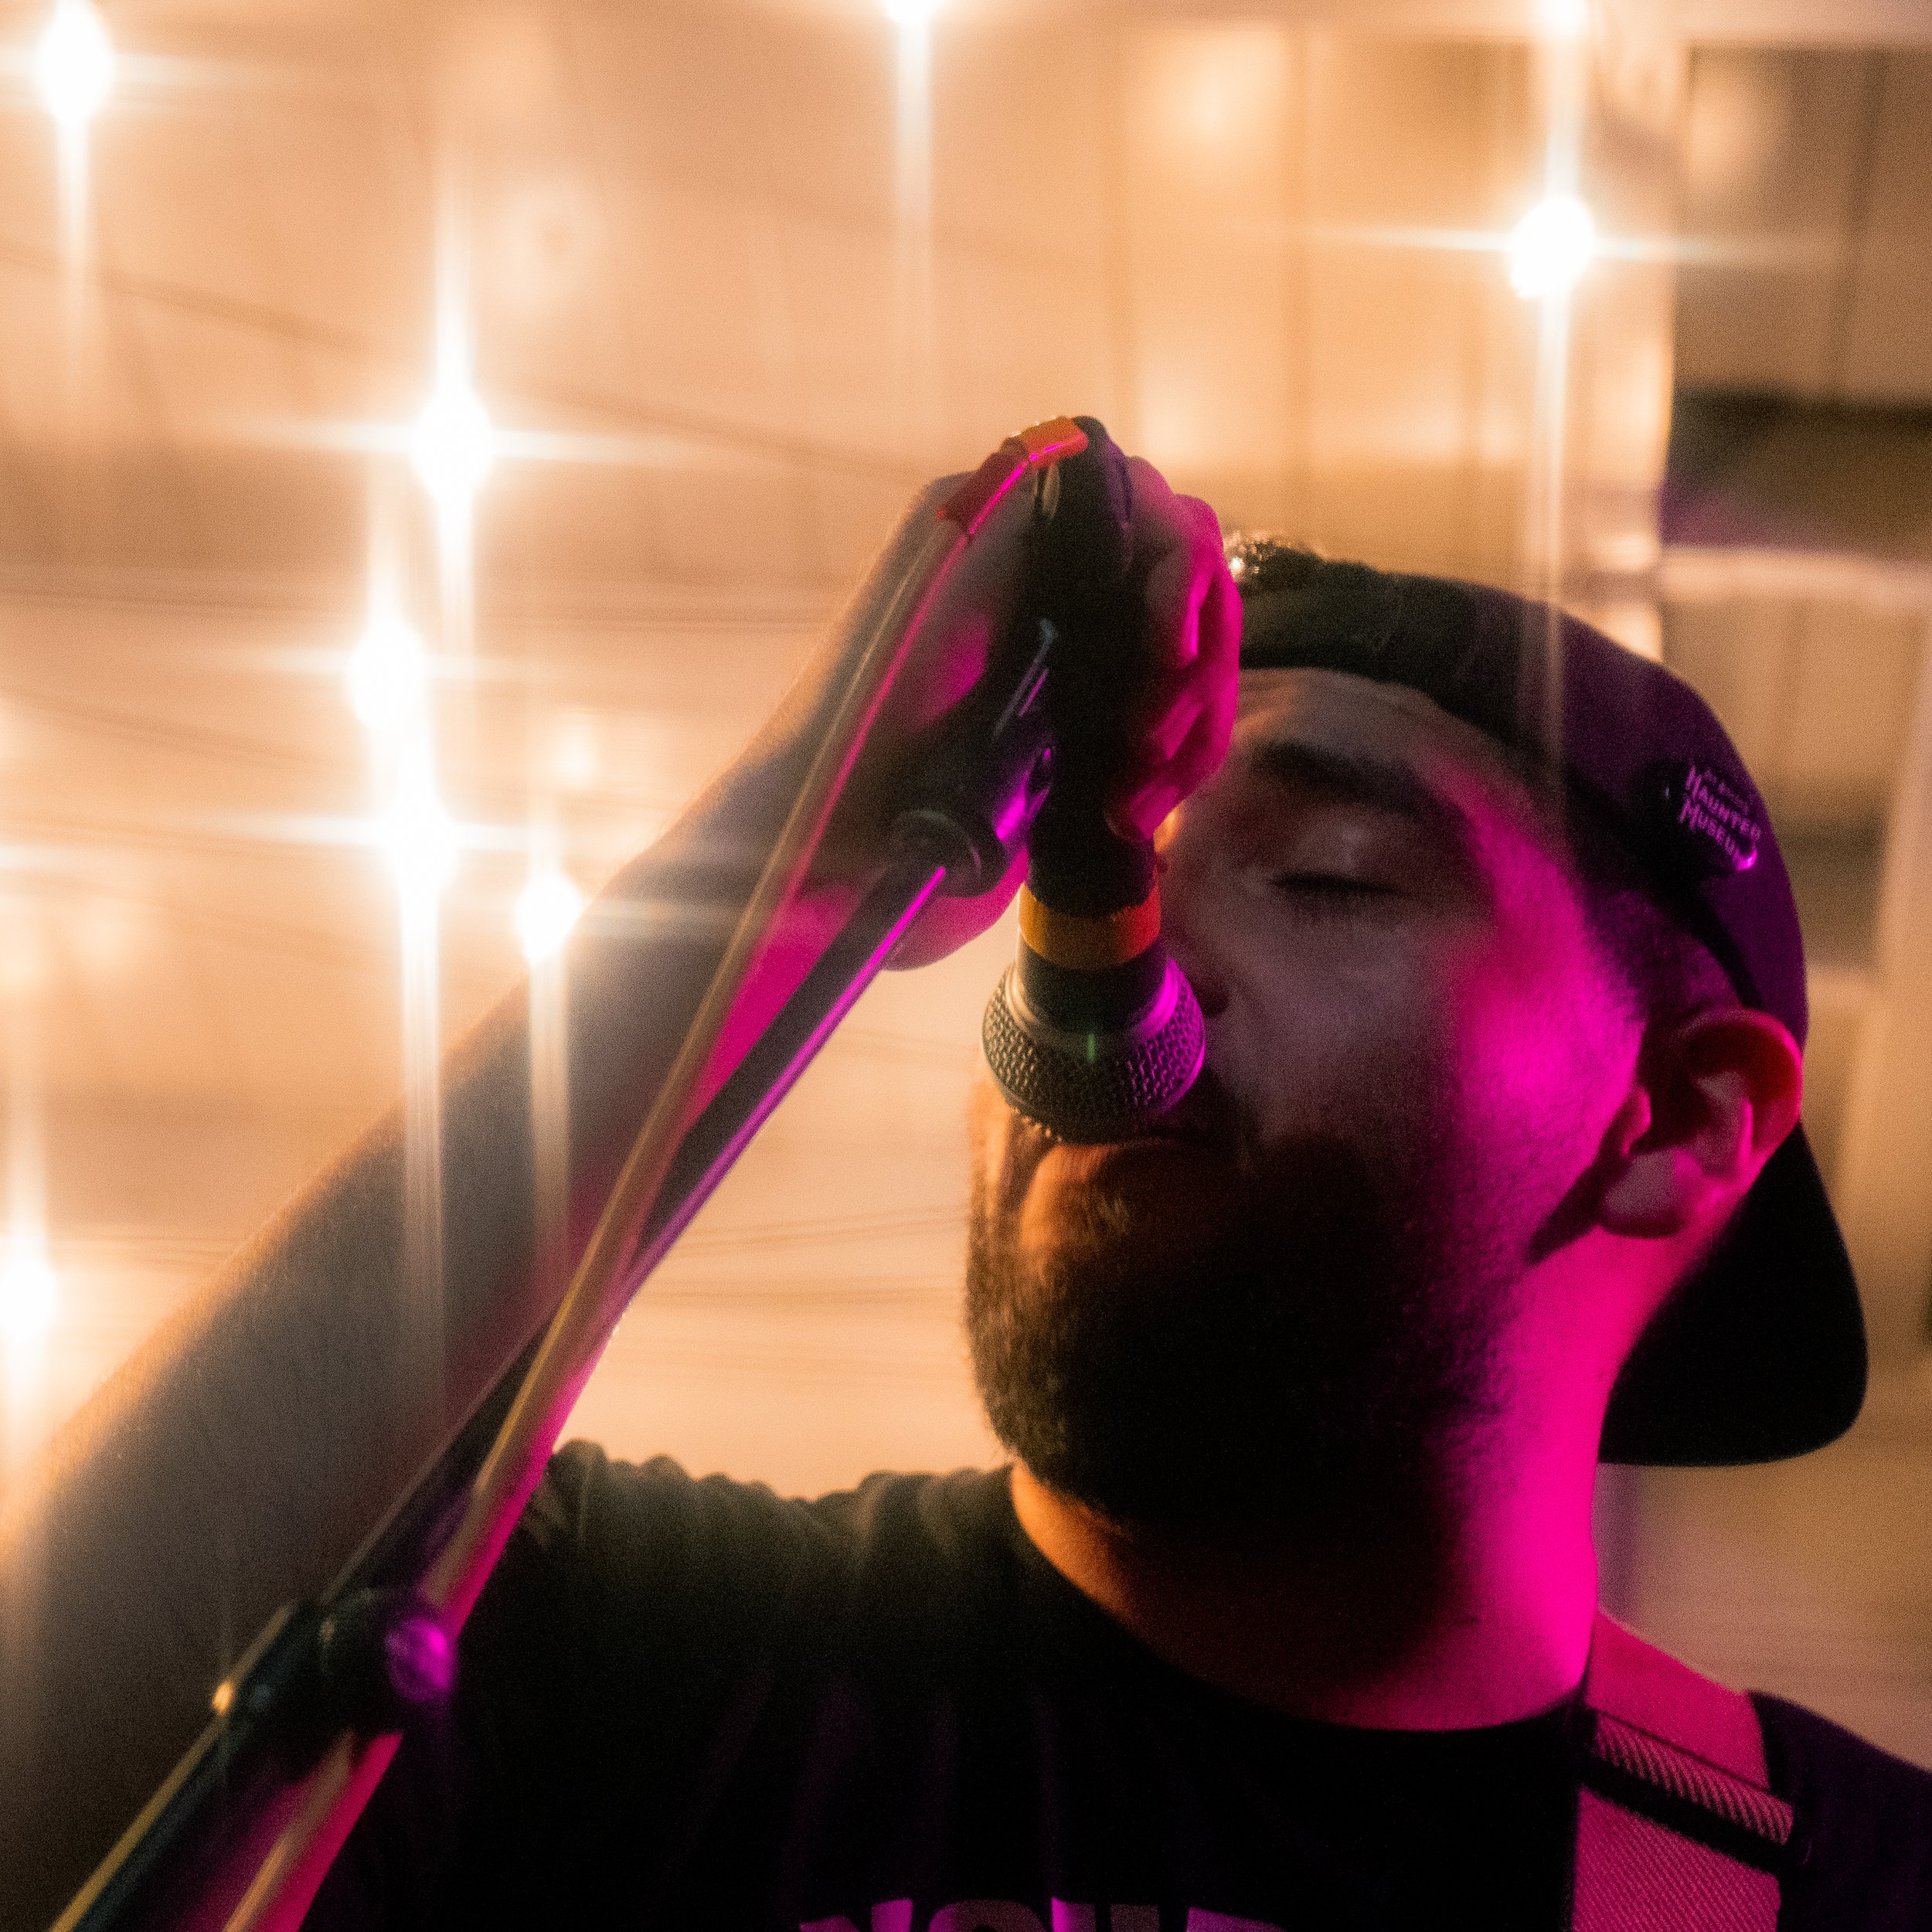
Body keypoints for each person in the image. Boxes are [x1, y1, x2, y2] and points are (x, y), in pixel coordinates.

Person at [4, 444, 1930, 1932]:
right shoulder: (610, 1652)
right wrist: (797, 846)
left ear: (1676, 1120)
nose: (1124, 945)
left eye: (1331, 868)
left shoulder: (1846, 1888)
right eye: (1103, 861)